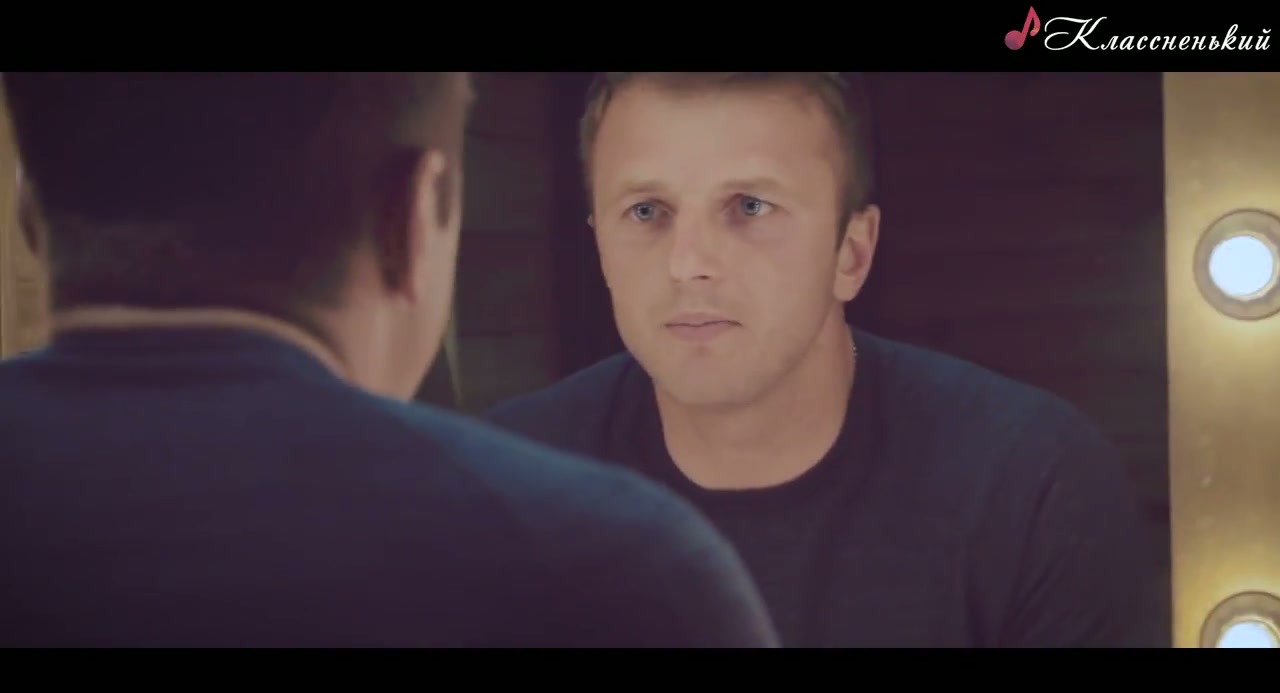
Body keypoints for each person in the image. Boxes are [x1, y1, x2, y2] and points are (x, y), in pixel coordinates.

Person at [0, 72, 778, 648]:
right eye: (645, 211)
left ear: (28, 210)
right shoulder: (611, 576)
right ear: (411, 217)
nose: (691, 265)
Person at [484, 72, 1169, 648]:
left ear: (852, 253)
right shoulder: (500, 488)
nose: (687, 264)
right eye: (646, 212)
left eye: (750, 206)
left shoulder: (1027, 482)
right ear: (599, 245)